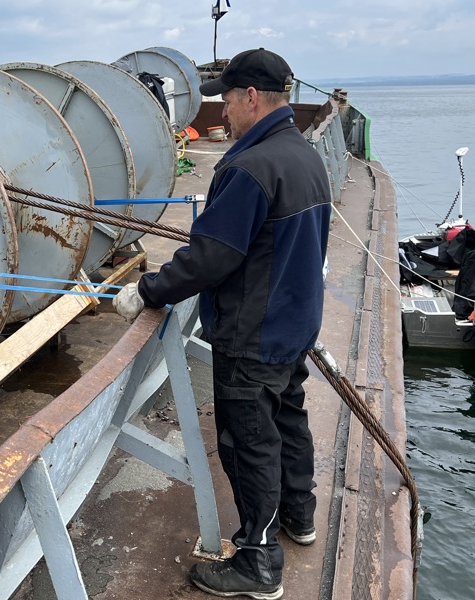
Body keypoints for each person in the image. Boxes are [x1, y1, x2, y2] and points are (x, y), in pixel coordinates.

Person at [113, 48, 332, 599]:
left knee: (248, 443)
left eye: (229, 102)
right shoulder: (304, 156)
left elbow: (211, 256)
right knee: (287, 421)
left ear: (251, 98)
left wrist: (147, 289)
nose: (224, 115)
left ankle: (258, 561)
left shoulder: (249, 166)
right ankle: (298, 516)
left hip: (253, 333)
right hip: (294, 322)